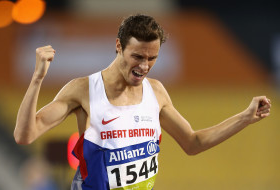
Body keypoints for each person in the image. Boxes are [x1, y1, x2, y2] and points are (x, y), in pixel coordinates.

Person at [14, 14, 271, 190]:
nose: (144, 66)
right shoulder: (84, 90)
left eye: (152, 58)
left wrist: (245, 117)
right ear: (118, 46)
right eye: (137, 56)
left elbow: (193, 143)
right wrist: (37, 79)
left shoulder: (156, 92)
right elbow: (25, 135)